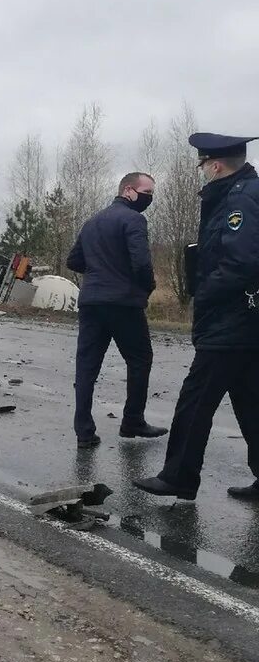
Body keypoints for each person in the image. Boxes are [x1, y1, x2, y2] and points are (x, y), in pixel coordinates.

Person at [135, 132, 259, 501]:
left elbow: (242, 262)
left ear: (216, 165)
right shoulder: (239, 194)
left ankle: (179, 477)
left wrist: (205, 294)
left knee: (195, 399)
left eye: (203, 164)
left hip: (232, 318)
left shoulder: (241, 199)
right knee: (251, 400)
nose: (203, 170)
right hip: (243, 320)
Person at [66, 172, 167, 448]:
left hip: (91, 303)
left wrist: (99, 270)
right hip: (123, 304)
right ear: (128, 191)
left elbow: (73, 261)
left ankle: (84, 432)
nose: (150, 198)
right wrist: (147, 287)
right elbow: (142, 265)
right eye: (147, 192)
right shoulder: (134, 220)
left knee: (86, 367)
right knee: (140, 359)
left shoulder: (92, 222)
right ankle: (132, 421)